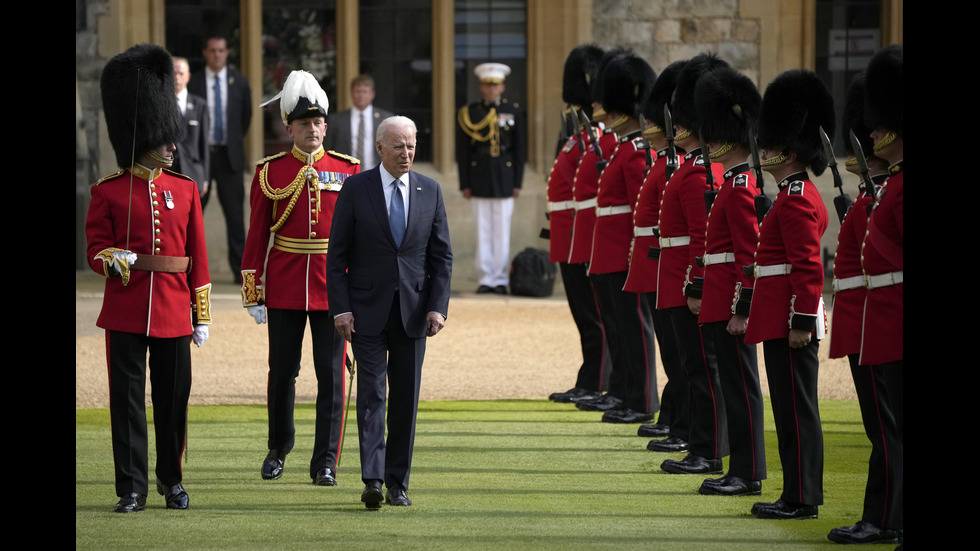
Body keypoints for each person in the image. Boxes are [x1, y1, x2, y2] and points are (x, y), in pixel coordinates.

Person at [86, 44, 211, 513]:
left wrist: (201, 316)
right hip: (126, 306)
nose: (172, 146)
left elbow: (196, 257)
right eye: (165, 139)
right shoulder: (109, 192)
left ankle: (171, 480)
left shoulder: (185, 190)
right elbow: (95, 252)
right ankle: (132, 486)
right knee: (128, 404)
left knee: (173, 401)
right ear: (146, 137)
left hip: (176, 310)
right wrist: (113, 257)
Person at [241, 71, 361, 486]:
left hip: (333, 287)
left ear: (326, 126)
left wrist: (359, 291)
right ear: (288, 127)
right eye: (304, 124)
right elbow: (257, 233)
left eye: (318, 123)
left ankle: (326, 460)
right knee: (282, 372)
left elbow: (361, 240)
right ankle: (278, 448)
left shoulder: (350, 170)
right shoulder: (269, 172)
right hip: (286, 282)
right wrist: (254, 290)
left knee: (331, 374)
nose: (312, 130)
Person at [327, 116, 453, 509]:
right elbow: (337, 256)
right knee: (371, 396)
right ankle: (373, 480)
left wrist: (438, 307)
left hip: (414, 314)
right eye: (398, 146)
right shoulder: (355, 188)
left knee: (406, 400)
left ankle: (399, 483)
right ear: (380, 148)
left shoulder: (430, 190)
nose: (406, 153)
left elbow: (441, 256)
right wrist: (341, 309)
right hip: (365, 312)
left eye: (412, 145)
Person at [745, 68, 834, 520]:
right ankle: (796, 492)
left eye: (768, 144)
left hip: (790, 320)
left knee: (797, 412)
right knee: (790, 409)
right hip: (783, 315)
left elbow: (806, 266)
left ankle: (801, 498)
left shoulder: (797, 196)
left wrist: (800, 321)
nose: (762, 151)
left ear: (788, 149)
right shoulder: (790, 194)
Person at [827, 46, 903, 545]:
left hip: (893, 320)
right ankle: (883, 515)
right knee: (885, 430)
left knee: (891, 431)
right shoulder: (892, 186)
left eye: (879, 126)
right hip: (881, 319)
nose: (872, 134)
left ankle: (885, 518)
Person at [648, 54, 729, 477]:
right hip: (676, 278)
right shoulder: (691, 167)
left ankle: (709, 449)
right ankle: (702, 443)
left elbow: (703, 239)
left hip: (686, 281)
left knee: (702, 369)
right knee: (692, 366)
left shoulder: (699, 172)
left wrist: (696, 285)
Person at [692, 66, 767, 496]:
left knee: (742, 389)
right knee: (734, 389)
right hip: (722, 300)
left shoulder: (739, 187)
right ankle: (741, 469)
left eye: (717, 134)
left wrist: (742, 309)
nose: (710, 142)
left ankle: (748, 472)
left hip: (731, 303)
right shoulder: (730, 185)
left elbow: (748, 256)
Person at [586, 51, 659, 425]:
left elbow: (638, 212)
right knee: (622, 329)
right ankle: (627, 393)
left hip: (625, 254)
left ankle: (643, 399)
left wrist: (635, 256)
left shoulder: (634, 152)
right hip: (611, 253)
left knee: (636, 328)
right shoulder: (623, 149)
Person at [546, 44, 611, 405]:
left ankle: (598, 380)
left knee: (595, 315)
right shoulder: (578, 135)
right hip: (568, 237)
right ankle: (593, 377)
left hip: (583, 238)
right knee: (586, 315)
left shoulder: (597, 138)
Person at [629, 60, 689, 442]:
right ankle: (673, 414)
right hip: (657, 263)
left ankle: (680, 421)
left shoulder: (675, 164)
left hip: (670, 266)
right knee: (673, 353)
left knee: (681, 355)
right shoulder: (663, 163)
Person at [188, 35, 252, 283]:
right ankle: (185, 268)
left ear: (227, 53)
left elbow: (244, 119)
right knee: (191, 216)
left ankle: (240, 274)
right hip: (199, 157)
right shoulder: (194, 83)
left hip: (229, 156)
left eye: (221, 50)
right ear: (205, 52)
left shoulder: (240, 83)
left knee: (236, 218)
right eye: (212, 50)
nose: (217, 55)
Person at [456, 62, 524, 294]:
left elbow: (520, 150)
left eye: (495, 86)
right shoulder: (470, 112)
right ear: (481, 87)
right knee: (483, 229)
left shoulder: (513, 111)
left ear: (502, 87)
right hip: (479, 176)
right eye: (487, 86)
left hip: (505, 176)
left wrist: (518, 183)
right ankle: (486, 278)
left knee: (501, 230)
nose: (491, 90)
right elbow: (463, 151)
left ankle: (501, 279)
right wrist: (464, 183)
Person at [324, 74, 394, 168]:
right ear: (351, 94)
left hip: (377, 174)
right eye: (357, 91)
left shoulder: (385, 119)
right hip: (345, 174)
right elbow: (327, 150)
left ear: (372, 94)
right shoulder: (336, 120)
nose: (361, 95)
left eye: (364, 92)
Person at [172, 56, 210, 199]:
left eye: (181, 73)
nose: (177, 77)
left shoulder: (200, 105)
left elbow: (204, 144)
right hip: (167, 173)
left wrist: (205, 178)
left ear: (188, 76)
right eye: (173, 73)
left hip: (193, 173)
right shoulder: (160, 105)